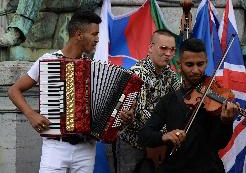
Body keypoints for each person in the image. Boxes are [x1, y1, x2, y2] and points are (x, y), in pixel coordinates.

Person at [8, 9, 106, 173]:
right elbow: (14, 91)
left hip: (86, 148)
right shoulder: (48, 61)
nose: (97, 39)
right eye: (94, 34)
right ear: (78, 34)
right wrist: (31, 115)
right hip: (55, 147)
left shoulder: (95, 68)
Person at [138, 38, 239, 173]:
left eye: (200, 64)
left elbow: (219, 143)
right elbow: (145, 135)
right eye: (190, 64)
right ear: (180, 65)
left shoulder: (214, 99)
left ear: (206, 63)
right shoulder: (169, 101)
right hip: (175, 168)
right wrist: (165, 136)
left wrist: (226, 123)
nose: (196, 70)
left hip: (208, 168)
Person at [114, 29, 181, 173]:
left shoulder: (171, 75)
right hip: (132, 142)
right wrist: (166, 132)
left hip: (157, 143)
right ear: (150, 48)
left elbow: (179, 102)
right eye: (163, 48)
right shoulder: (137, 73)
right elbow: (140, 113)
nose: (168, 54)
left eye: (172, 50)